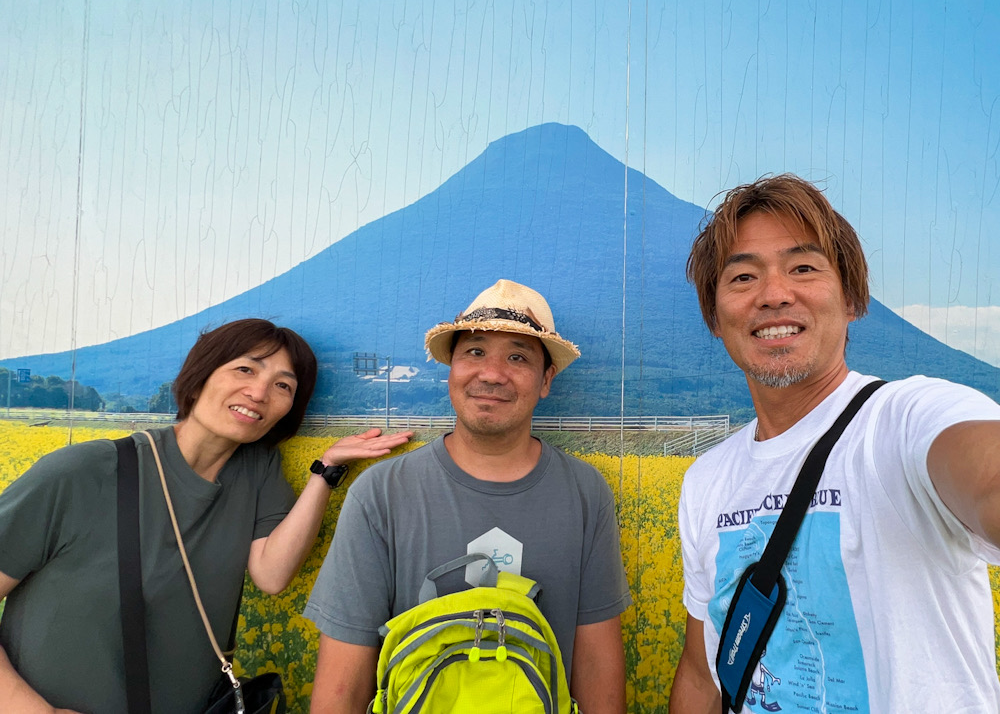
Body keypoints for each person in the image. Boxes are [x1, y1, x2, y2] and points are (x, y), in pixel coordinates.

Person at [670, 174, 1000, 712]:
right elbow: (702, 672)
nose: (774, 294)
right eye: (743, 277)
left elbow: (987, 478)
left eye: (803, 267)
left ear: (851, 297)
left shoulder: (905, 419)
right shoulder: (707, 479)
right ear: (715, 316)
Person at [0, 318, 411, 714]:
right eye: (245, 369)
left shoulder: (257, 472)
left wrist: (326, 471)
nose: (259, 391)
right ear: (200, 376)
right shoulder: (84, 471)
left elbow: (272, 574)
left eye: (283, 385)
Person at [305, 279, 632, 714]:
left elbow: (597, 668)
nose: (492, 374)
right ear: (452, 368)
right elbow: (342, 684)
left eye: (518, 357)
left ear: (546, 380)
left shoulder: (585, 493)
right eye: (474, 352)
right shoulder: (381, 493)